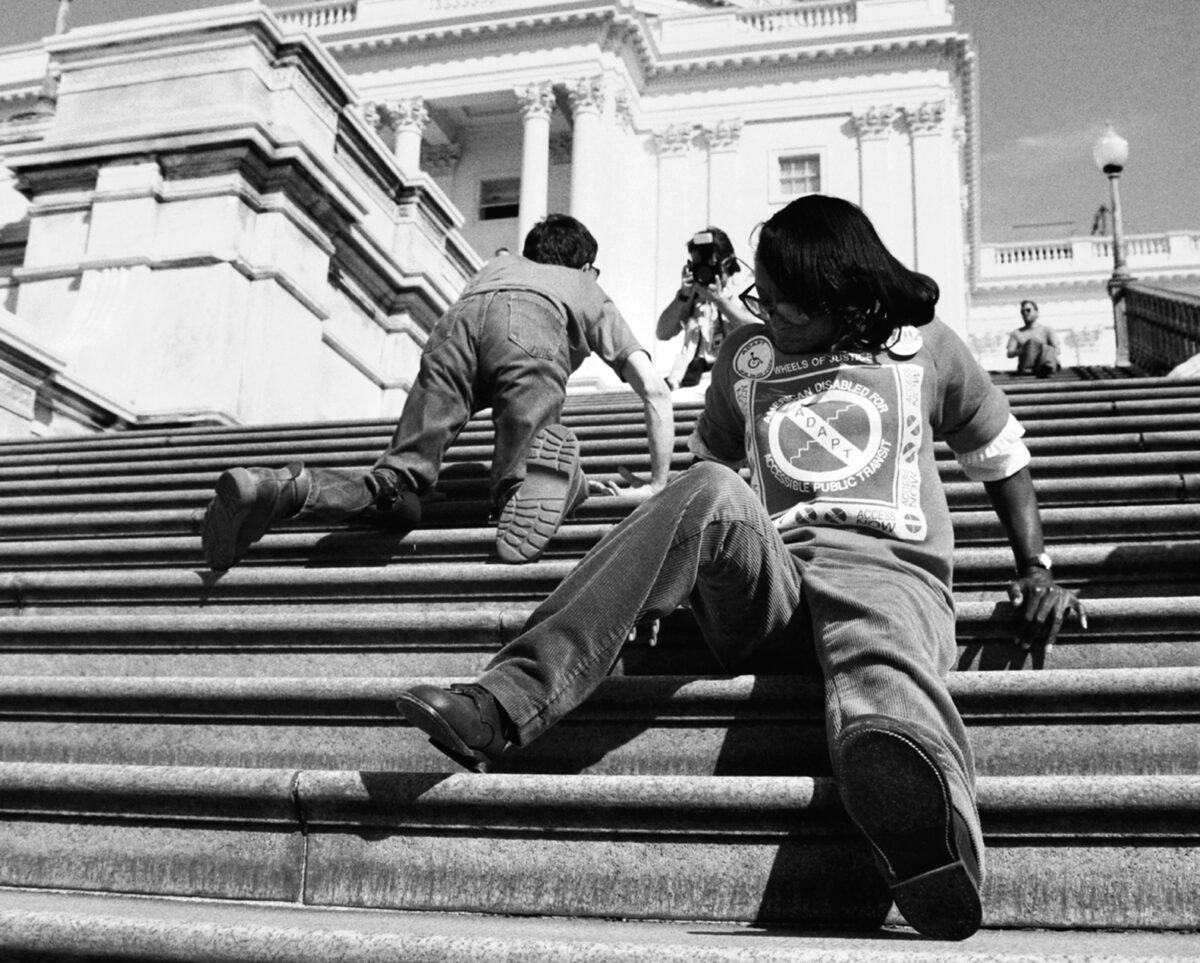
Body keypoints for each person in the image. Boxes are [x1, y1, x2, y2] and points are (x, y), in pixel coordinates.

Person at [396, 195, 1087, 941]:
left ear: (847, 300)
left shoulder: (922, 349)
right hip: (774, 586)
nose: (767, 314)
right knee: (709, 486)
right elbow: (707, 482)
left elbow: (1003, 458)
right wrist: (659, 583)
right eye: (761, 295)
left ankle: (929, 838)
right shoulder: (745, 357)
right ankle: (505, 700)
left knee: (883, 663)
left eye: (788, 306)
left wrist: (1037, 568)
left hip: (888, 573)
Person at [202, 214, 674, 569]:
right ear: (589, 267)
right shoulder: (582, 285)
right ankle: (542, 483)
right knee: (523, 475)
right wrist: (657, 483)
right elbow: (654, 391)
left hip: (455, 328)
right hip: (532, 329)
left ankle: (279, 487)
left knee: (395, 488)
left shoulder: (495, 269)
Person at [656, 227, 758, 390]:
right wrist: (683, 296)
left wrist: (720, 301)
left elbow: (758, 330)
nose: (703, 271)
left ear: (727, 263)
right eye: (697, 265)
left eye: (709, 265)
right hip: (691, 379)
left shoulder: (745, 290)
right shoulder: (692, 295)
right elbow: (662, 332)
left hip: (733, 380)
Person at [1006, 300, 1061, 377]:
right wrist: (1023, 349)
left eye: (1028, 310)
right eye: (1022, 312)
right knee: (1031, 343)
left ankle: (1046, 366)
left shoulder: (1047, 330)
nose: (1025, 313)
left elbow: (1057, 350)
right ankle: (1046, 365)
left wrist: (1042, 348)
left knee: (1047, 349)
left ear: (1036, 312)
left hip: (1044, 363)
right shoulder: (1016, 333)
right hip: (1027, 367)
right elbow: (1009, 353)